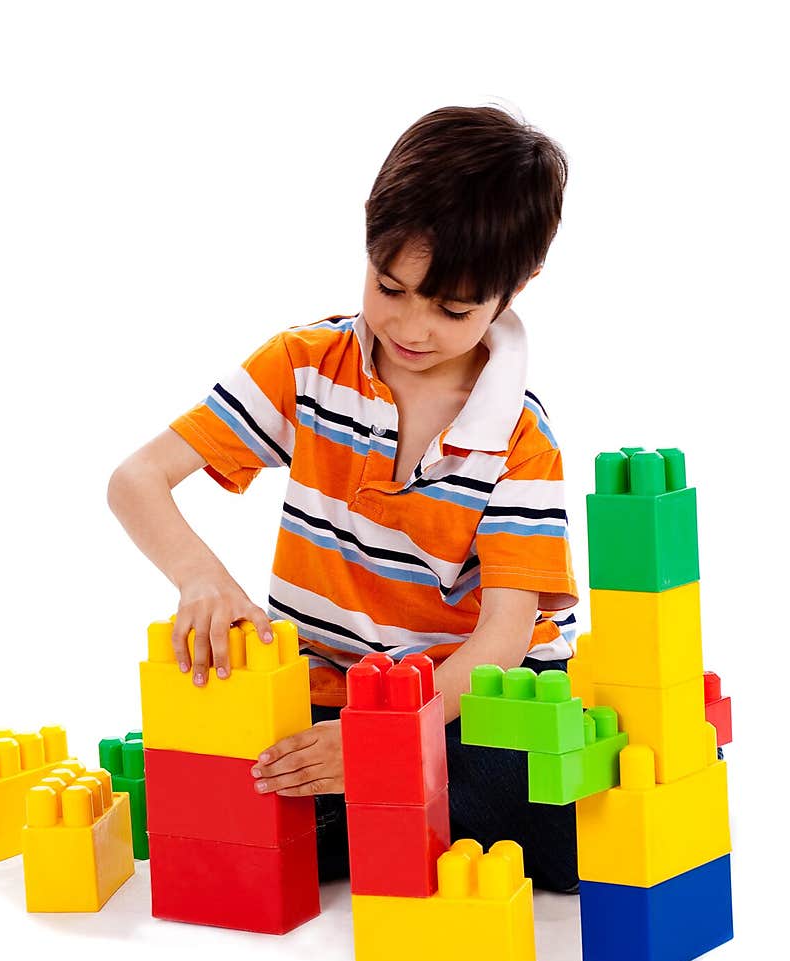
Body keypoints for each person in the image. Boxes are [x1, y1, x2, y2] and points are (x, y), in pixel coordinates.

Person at [107, 104, 580, 892]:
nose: (412, 325)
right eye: (389, 286)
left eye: (453, 309)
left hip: (467, 707)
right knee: (253, 767)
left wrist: (391, 744)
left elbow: (502, 639)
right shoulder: (307, 367)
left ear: (516, 287)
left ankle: (372, 809)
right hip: (338, 692)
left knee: (533, 810)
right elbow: (136, 480)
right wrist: (203, 578)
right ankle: (355, 809)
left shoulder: (520, 437)